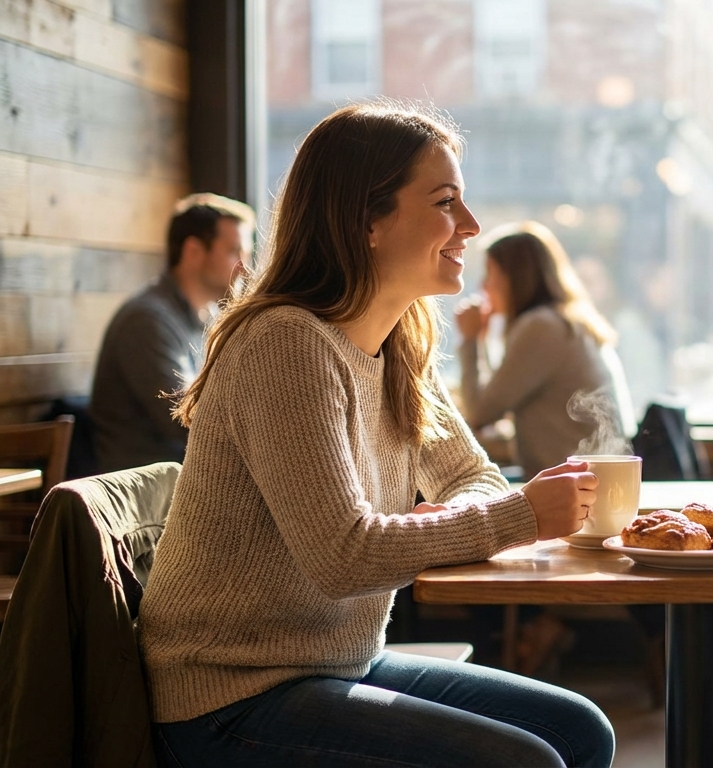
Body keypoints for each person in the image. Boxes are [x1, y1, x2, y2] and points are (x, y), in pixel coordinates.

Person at [138, 102, 614, 768]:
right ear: (366, 219)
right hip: (228, 696)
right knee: (523, 761)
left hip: (336, 663)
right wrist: (518, 516)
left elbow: (469, 474)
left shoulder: (401, 344)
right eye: (447, 202)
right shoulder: (286, 344)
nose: (471, 227)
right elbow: (344, 555)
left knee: (581, 730)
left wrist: (462, 515)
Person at [89, 193, 254, 471]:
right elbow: (190, 421)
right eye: (233, 252)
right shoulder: (147, 321)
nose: (245, 267)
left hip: (179, 481)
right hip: (142, 496)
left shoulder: (210, 318)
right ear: (193, 252)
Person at [456, 222, 632, 477]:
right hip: (590, 477)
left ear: (515, 278)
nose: (484, 286)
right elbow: (500, 399)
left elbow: (481, 412)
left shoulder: (541, 327)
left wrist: (470, 339)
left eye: (490, 274)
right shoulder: (564, 321)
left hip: (574, 483)